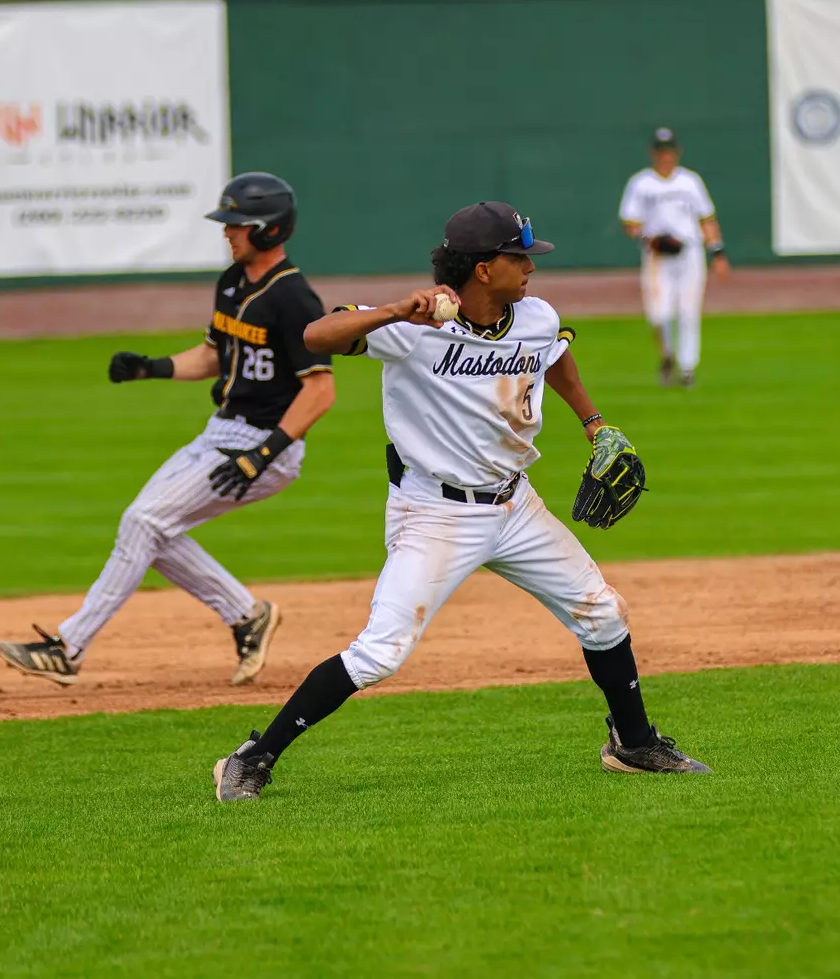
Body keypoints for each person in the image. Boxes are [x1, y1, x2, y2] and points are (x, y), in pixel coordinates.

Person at [211, 200, 709, 801]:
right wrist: (395, 310)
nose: (530, 266)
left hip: (515, 506)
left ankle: (633, 743)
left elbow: (554, 359)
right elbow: (315, 334)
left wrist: (595, 424)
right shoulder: (409, 328)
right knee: (380, 654)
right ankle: (254, 756)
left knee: (602, 613)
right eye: (518, 256)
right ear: (480, 268)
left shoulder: (536, 315)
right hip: (435, 513)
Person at [0, 172, 334, 687]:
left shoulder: (295, 299)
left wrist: (264, 454)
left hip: (266, 445)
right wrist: (151, 367)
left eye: (237, 224)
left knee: (143, 523)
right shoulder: (232, 283)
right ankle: (248, 615)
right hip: (221, 432)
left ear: (268, 229)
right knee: (150, 527)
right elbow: (214, 356)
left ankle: (69, 647)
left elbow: (320, 391)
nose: (227, 232)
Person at [619, 127, 730, 388]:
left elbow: (707, 218)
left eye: (669, 151)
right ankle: (668, 354)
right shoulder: (641, 183)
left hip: (689, 252)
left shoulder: (690, 181)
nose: (665, 156)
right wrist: (649, 239)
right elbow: (630, 223)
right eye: (660, 151)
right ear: (652, 153)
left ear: (677, 152)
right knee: (659, 314)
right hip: (657, 255)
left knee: (689, 312)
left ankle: (688, 368)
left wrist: (718, 252)